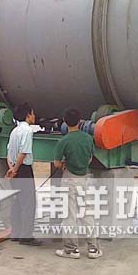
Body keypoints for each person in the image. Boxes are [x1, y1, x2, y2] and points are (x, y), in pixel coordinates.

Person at [53, 108, 102, 259]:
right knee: (87, 213)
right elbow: (90, 158)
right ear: (80, 122)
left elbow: (56, 164)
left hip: (69, 179)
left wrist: (64, 164)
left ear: (65, 122)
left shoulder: (64, 141)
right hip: (85, 178)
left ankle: (71, 250)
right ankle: (93, 249)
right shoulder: (88, 138)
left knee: (69, 215)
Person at [6, 102, 42, 246]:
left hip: (14, 169)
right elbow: (23, 152)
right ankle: (26, 236)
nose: (34, 116)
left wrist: (11, 169)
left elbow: (9, 152)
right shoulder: (27, 131)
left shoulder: (14, 131)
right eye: (33, 113)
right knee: (28, 203)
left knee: (17, 202)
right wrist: (16, 168)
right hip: (23, 170)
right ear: (28, 115)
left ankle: (16, 233)